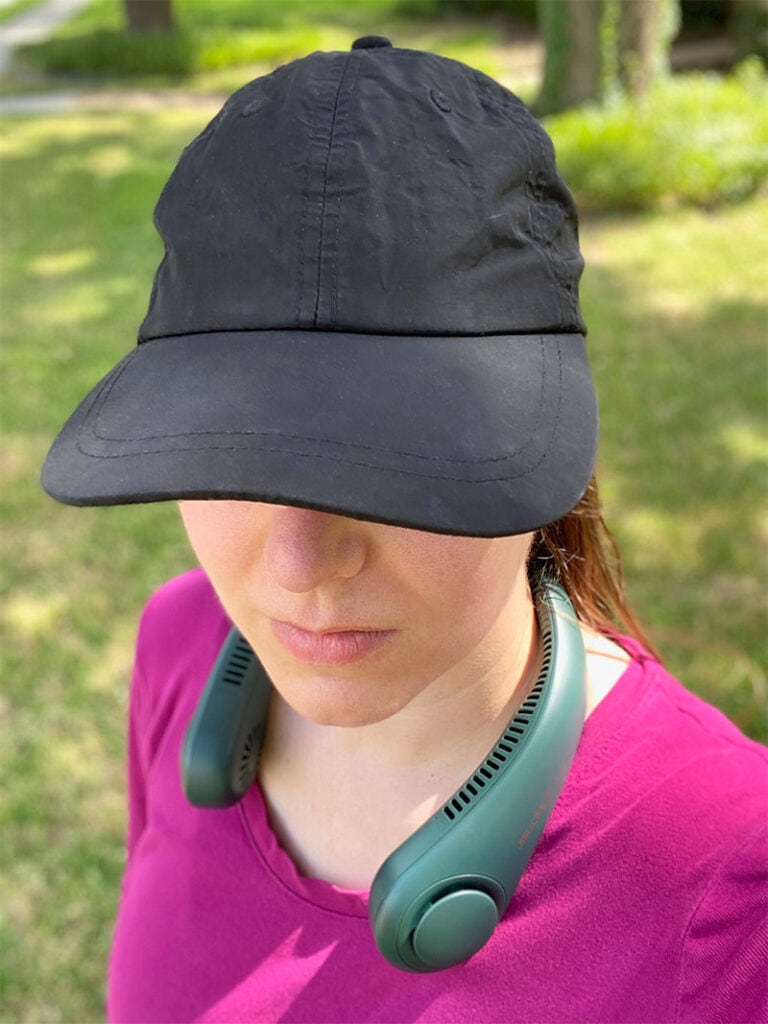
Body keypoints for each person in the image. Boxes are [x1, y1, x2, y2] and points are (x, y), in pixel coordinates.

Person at [42, 37, 766, 1024]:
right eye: (232, 450)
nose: (301, 564)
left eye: (398, 459)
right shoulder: (179, 642)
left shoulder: (730, 888)